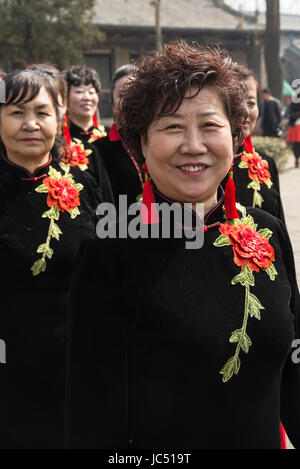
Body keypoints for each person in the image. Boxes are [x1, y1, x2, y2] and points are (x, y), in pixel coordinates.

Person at [67, 41, 300, 449]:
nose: (194, 145)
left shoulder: (267, 232)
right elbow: (92, 417)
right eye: (172, 127)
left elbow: (294, 367)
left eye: (210, 126)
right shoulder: (110, 252)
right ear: (141, 144)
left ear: (235, 134)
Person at [0, 68, 103, 448]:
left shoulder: (82, 186)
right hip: (10, 375)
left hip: (78, 371)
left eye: (41, 113)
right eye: (15, 112)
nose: (30, 124)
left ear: (58, 118)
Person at [227, 65, 285, 224]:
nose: (245, 111)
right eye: (236, 102)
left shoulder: (266, 164)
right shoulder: (204, 166)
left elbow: (280, 228)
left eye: (251, 102)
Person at [64, 65, 114, 204]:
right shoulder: (60, 142)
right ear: (65, 99)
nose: (87, 97)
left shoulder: (111, 136)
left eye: (91, 92)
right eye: (79, 92)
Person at [97, 64, 144, 208]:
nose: (129, 99)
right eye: (122, 95)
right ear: (112, 104)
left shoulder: (162, 141)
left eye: (135, 92)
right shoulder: (99, 151)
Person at [286, 98, 300, 168]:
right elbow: (291, 116)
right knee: (295, 145)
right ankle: (296, 158)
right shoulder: (293, 105)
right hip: (295, 127)